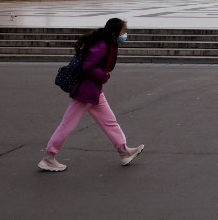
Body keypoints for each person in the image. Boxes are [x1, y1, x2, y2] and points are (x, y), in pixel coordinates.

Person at [38, 17, 144, 171]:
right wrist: (103, 76)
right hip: (86, 92)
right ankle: (49, 157)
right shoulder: (103, 45)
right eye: (124, 31)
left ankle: (123, 151)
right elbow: (88, 66)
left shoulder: (108, 43)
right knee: (68, 123)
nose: (125, 34)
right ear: (116, 32)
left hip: (94, 91)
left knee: (109, 120)